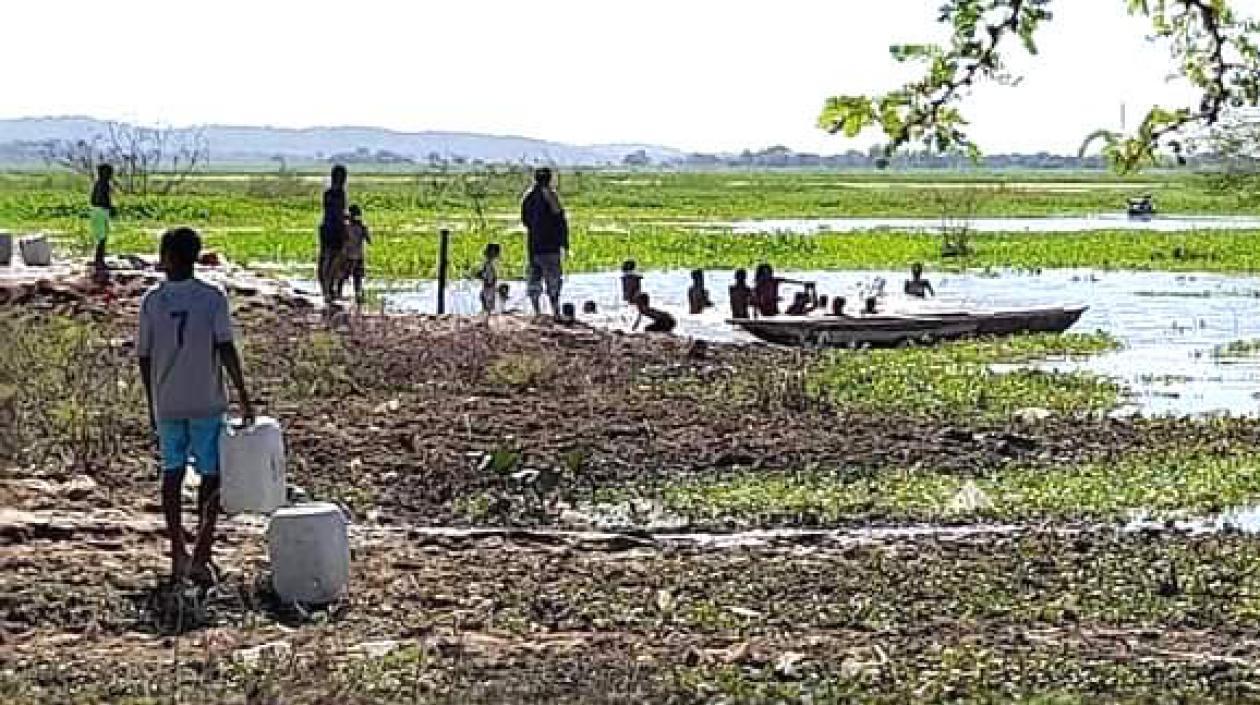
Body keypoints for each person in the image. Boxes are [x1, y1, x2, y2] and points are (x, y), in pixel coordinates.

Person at [137, 227, 254, 583]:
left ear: (170, 257)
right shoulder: (212, 297)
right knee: (210, 474)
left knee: (172, 473)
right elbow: (226, 348)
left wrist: (151, 401)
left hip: (169, 402)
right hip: (206, 401)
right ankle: (202, 551)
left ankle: (178, 551)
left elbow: (144, 356)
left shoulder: (152, 301)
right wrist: (243, 394)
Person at [520, 168, 568, 317]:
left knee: (535, 278)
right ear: (549, 179)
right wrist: (564, 242)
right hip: (550, 246)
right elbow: (560, 219)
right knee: (553, 280)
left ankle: (537, 312)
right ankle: (555, 312)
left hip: (534, 245)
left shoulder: (528, 197)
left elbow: (525, 220)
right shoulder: (551, 196)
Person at [318, 165, 349, 306]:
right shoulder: (338, 194)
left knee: (327, 258)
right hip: (334, 229)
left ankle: (328, 289)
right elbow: (337, 213)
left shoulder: (328, 193)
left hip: (327, 227)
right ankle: (328, 289)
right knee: (332, 259)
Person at [338, 204, 371, 305]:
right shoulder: (361, 227)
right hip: (356, 256)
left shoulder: (346, 227)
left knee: (344, 277)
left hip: (349, 256)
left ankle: (339, 294)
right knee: (356, 279)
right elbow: (369, 240)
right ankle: (357, 296)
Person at [90, 164, 116, 275]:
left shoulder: (98, 184)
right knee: (102, 238)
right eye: (109, 172)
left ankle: (99, 259)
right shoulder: (103, 185)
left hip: (98, 211)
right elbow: (102, 200)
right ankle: (99, 260)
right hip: (101, 212)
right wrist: (110, 208)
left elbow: (92, 200)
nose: (110, 175)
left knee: (102, 237)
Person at [477, 243, 502, 314]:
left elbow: (491, 275)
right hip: (488, 284)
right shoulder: (488, 263)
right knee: (485, 298)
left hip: (489, 284)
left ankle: (487, 313)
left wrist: (484, 277)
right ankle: (487, 313)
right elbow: (488, 274)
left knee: (487, 299)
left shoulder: (491, 263)